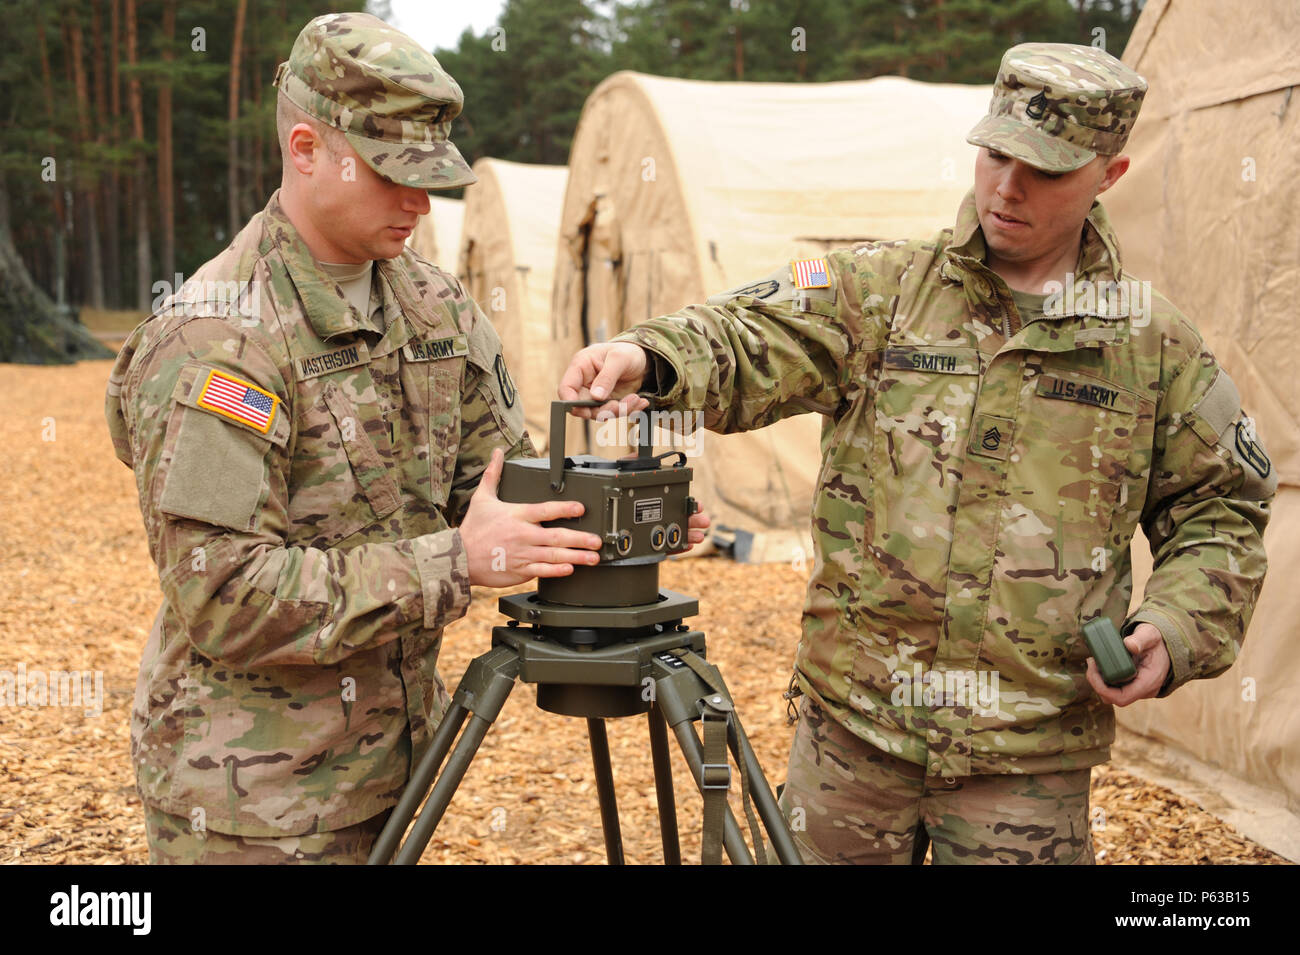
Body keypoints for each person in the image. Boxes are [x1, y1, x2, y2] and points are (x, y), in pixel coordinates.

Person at [559, 43, 1276, 865]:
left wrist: (1176, 624)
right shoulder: (879, 288)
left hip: (1028, 761)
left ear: (1108, 176)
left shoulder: (1152, 347)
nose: (1007, 188)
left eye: (1044, 169)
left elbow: (1222, 510)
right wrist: (648, 357)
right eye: (996, 155)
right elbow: (750, 328)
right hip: (852, 739)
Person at [106, 12, 702, 865]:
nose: (421, 202)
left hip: (396, 767)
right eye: (394, 175)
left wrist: (622, 510)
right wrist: (455, 562)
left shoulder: (434, 305)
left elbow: (492, 485)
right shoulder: (217, 337)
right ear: (306, 149)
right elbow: (224, 594)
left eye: (432, 175)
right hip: (252, 801)